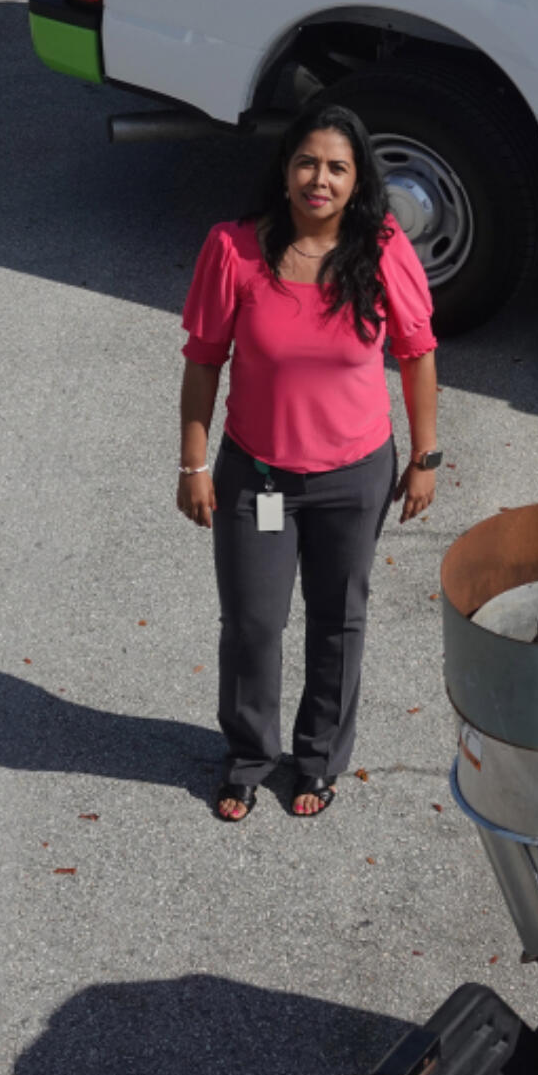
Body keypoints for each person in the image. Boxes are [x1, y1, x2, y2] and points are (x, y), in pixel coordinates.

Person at [175, 104, 440, 823]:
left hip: (355, 476)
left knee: (338, 619)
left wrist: (424, 456)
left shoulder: (383, 248)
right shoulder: (235, 248)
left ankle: (317, 759)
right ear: (285, 167)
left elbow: (417, 354)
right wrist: (193, 463)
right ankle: (248, 756)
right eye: (307, 162)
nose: (318, 179)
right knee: (253, 623)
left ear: (357, 181)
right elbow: (203, 360)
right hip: (255, 474)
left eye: (336, 167)